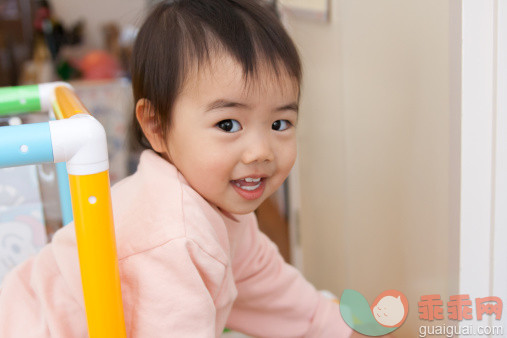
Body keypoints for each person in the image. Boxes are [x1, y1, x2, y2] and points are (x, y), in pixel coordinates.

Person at [0, 0, 354, 336]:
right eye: (228, 125)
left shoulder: (221, 209)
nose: (261, 152)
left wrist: (344, 328)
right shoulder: (172, 238)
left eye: (280, 124)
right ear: (156, 126)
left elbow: (284, 300)